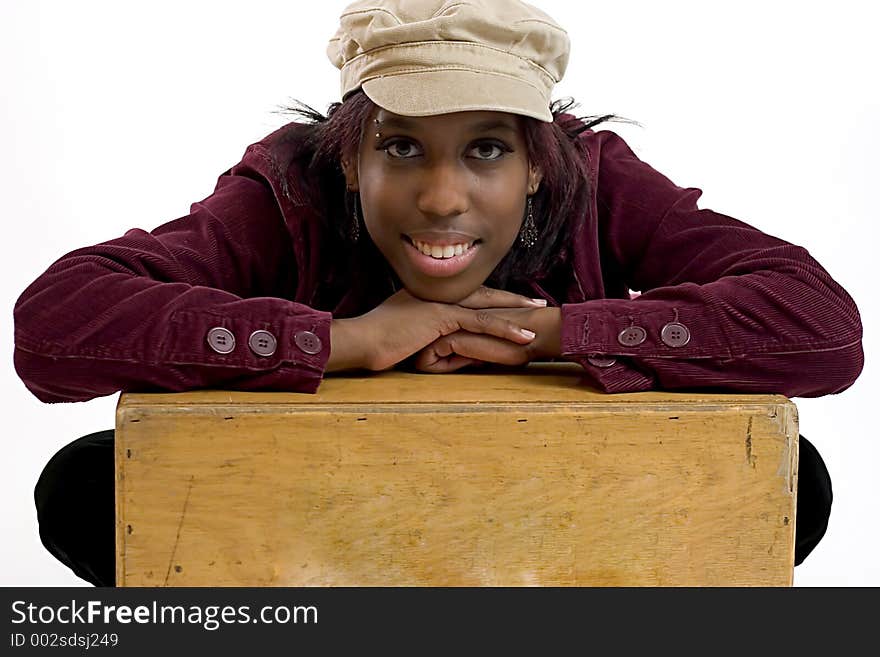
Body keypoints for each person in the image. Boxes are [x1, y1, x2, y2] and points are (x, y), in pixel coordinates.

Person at [14, 0, 862, 587]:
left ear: (538, 161)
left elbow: (820, 325)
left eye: (487, 149)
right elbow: (57, 324)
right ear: (349, 157)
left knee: (798, 483)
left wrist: (558, 330)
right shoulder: (290, 186)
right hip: (324, 508)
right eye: (405, 148)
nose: (444, 199)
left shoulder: (596, 177)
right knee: (88, 488)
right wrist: (347, 340)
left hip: (554, 502)